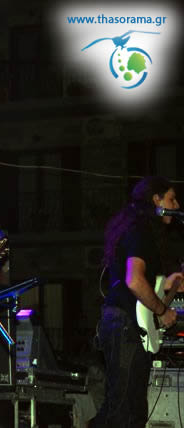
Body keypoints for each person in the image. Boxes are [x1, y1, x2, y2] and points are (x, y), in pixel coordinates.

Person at [92, 176, 184, 427]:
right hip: (125, 326)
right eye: (172, 199)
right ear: (156, 200)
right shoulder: (141, 231)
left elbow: (137, 280)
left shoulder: (137, 230)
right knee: (126, 411)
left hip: (122, 324)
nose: (177, 205)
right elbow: (134, 280)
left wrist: (169, 283)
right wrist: (162, 310)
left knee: (125, 407)